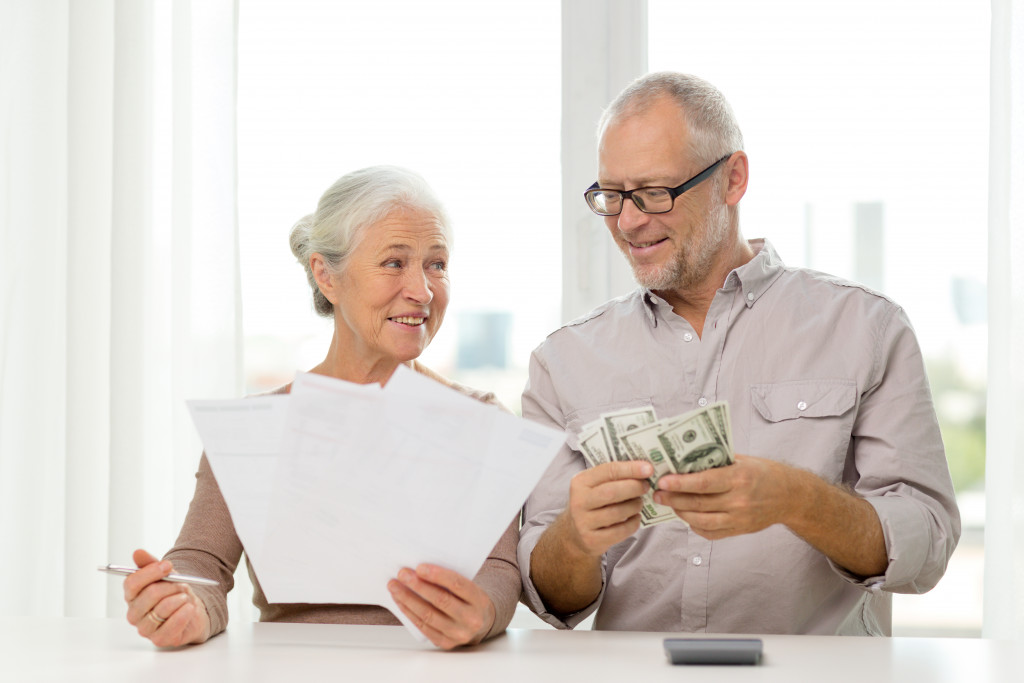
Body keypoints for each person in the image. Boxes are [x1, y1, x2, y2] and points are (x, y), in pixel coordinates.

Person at [518, 72, 960, 635]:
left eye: (655, 193)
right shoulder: (563, 361)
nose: (628, 221)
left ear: (733, 179)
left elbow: (929, 546)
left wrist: (797, 499)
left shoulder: (866, 327)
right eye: (610, 196)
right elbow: (550, 597)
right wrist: (574, 539)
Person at [122, 166, 520, 650]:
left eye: (436, 264)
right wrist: (184, 605)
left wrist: (484, 612)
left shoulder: (481, 420)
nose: (422, 290)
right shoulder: (258, 430)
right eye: (395, 263)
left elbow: (499, 568)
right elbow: (200, 562)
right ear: (326, 274)